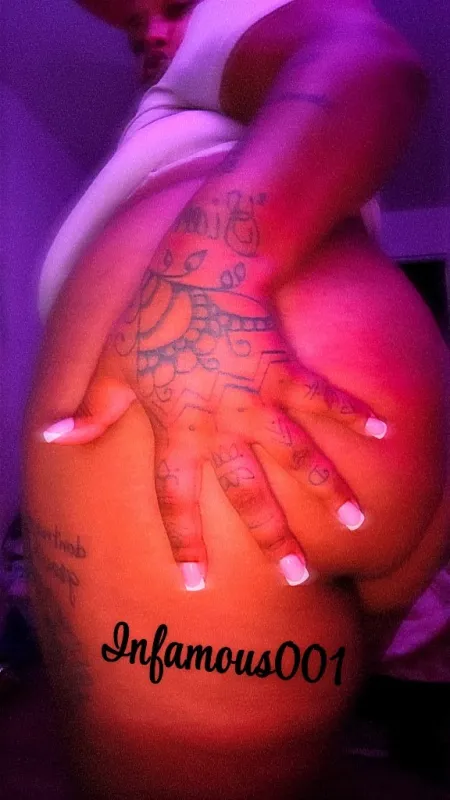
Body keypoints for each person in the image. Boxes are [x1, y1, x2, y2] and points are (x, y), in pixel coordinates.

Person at [22, 1, 450, 797]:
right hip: (360, 443)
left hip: (216, 431)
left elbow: (366, 60)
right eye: (136, 32)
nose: (157, 36)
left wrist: (207, 284)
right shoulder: (219, 102)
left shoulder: (220, 38)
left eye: (169, 8)